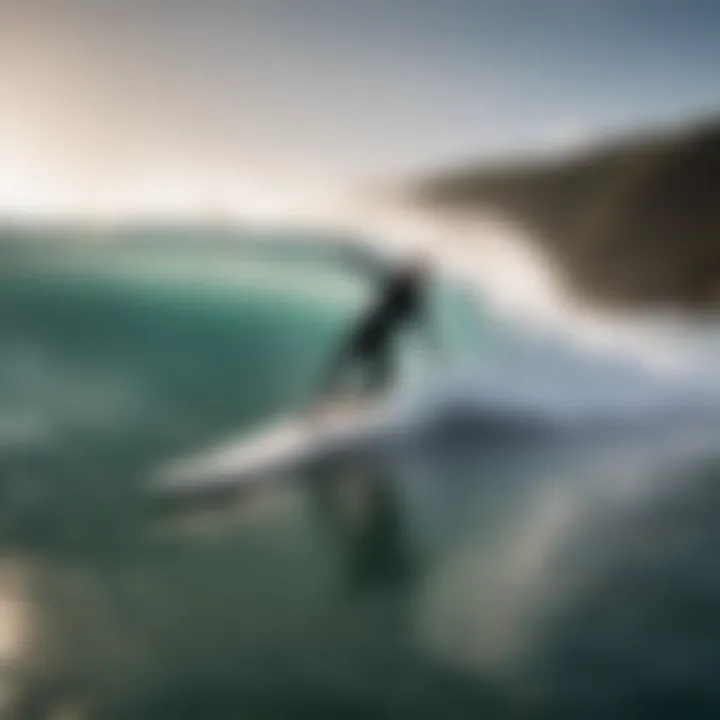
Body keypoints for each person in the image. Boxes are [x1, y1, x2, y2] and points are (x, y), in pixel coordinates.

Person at [317, 253, 435, 399]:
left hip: (380, 336)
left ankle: (365, 396)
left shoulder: (409, 295)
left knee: (376, 371)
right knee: (351, 362)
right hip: (370, 331)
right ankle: (328, 390)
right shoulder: (397, 286)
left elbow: (419, 320)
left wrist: (431, 345)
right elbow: (372, 267)